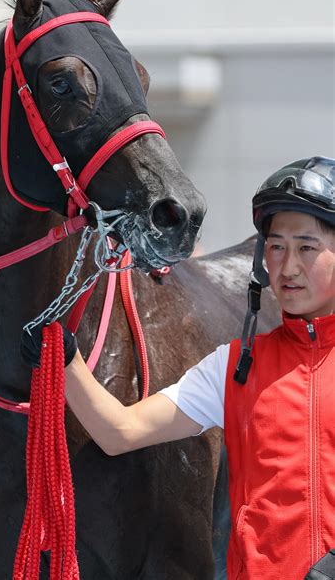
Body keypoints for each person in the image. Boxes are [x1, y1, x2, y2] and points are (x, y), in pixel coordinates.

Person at [21, 156, 335, 580]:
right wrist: (64, 358)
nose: (288, 265)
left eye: (307, 247)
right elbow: (121, 432)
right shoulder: (237, 366)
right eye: (276, 246)